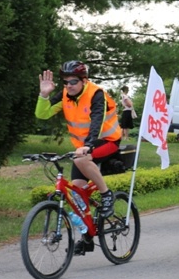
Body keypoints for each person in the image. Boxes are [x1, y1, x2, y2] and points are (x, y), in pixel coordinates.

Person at [36, 61, 122, 254]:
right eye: (65, 82)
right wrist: (44, 95)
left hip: (107, 141)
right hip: (82, 149)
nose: (69, 86)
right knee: (77, 195)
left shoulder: (96, 94)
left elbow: (97, 121)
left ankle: (107, 194)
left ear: (84, 80)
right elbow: (42, 114)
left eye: (73, 81)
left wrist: (89, 144)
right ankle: (87, 238)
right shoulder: (65, 95)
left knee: (80, 159)